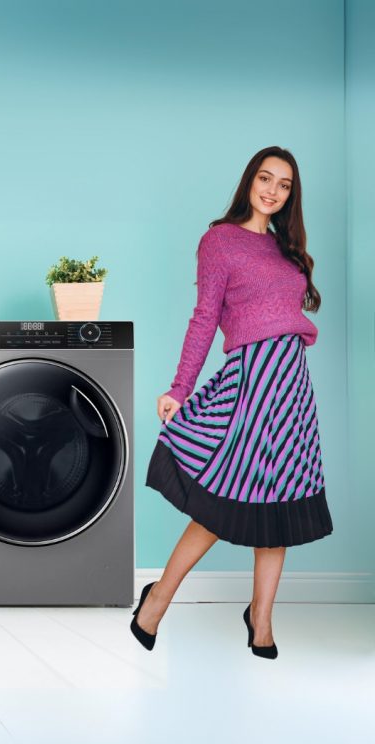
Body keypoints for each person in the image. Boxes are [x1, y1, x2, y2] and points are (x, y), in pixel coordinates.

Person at [132, 146, 333, 658]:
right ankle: (157, 599)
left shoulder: (287, 250)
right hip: (251, 384)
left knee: (281, 502)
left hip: (291, 387)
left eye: (284, 184)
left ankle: (260, 619)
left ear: (291, 195)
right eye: (265, 178)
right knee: (223, 500)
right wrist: (179, 388)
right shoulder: (219, 241)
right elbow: (204, 318)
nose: (272, 190)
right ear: (249, 181)